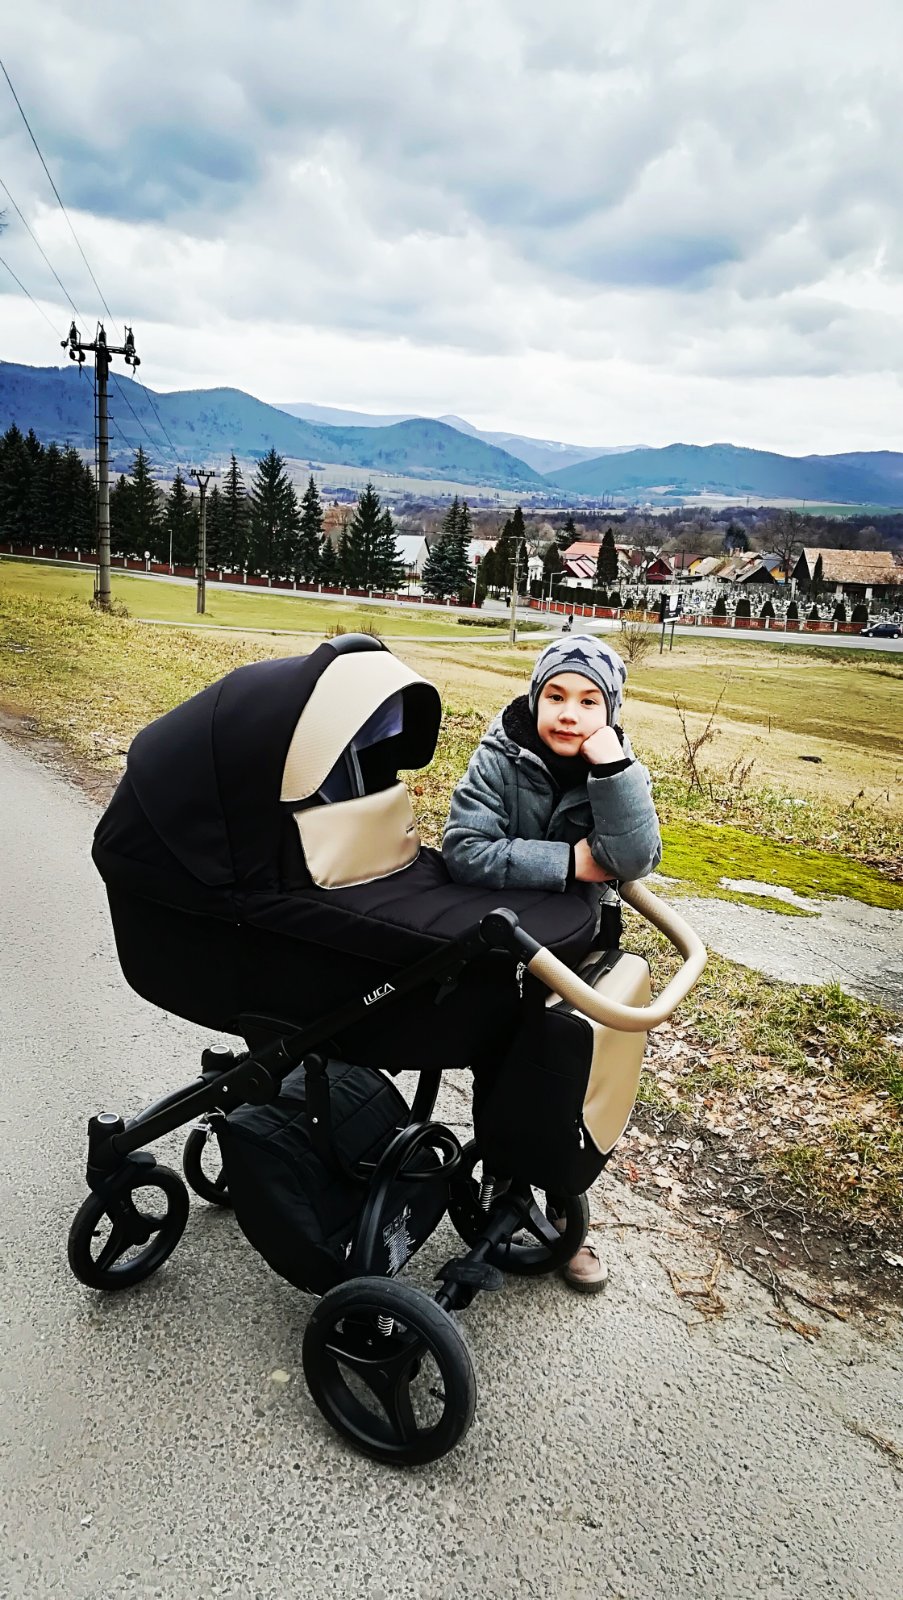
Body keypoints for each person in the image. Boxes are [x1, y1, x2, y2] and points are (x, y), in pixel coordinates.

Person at [442, 634, 662, 1292]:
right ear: (536, 699)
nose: (569, 714)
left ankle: (561, 1207)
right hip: (509, 947)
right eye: (556, 696)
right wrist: (569, 861)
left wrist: (612, 770)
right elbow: (464, 849)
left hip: (581, 943)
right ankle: (502, 1190)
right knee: (503, 1065)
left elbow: (637, 857)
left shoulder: (618, 763)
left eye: (589, 701)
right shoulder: (500, 755)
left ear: (610, 711)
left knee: (566, 1074)